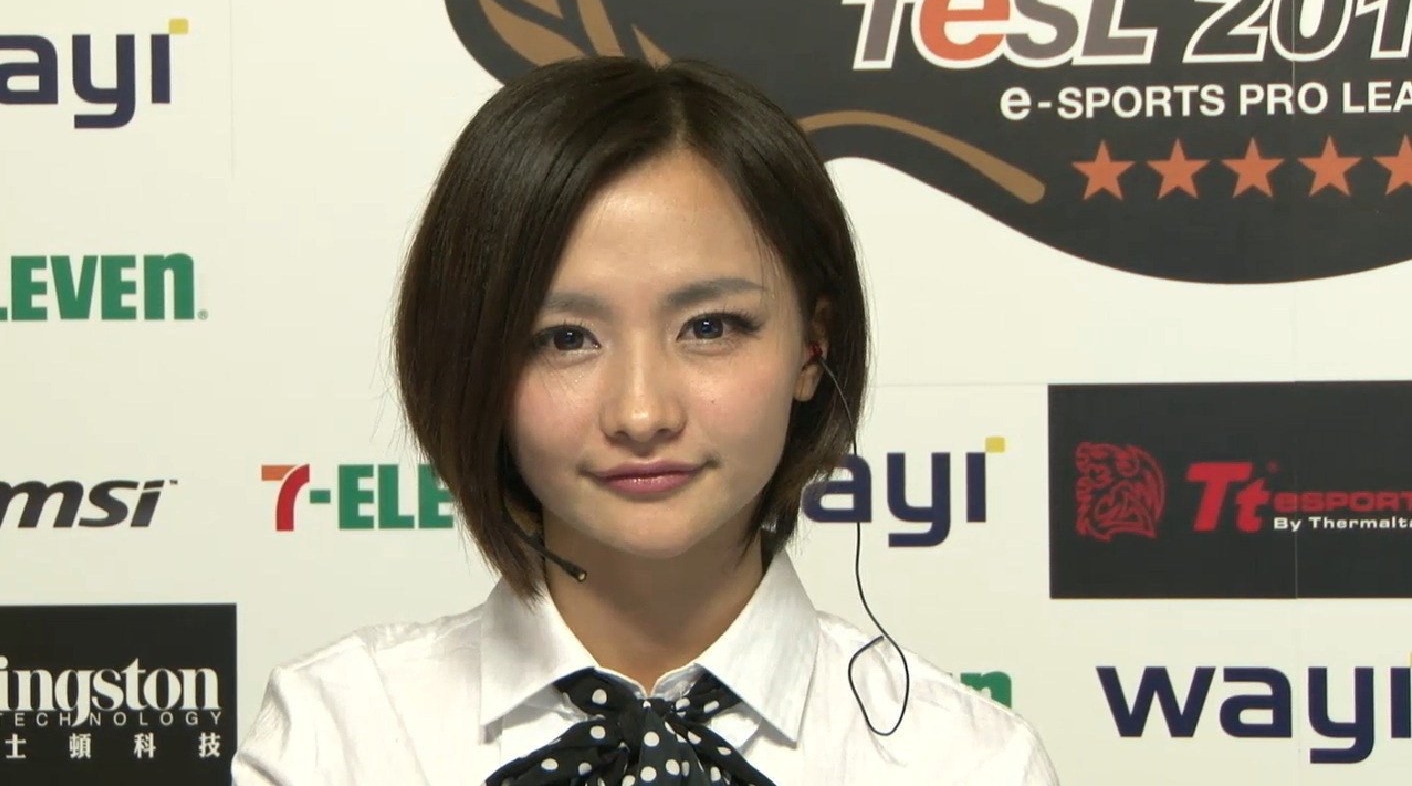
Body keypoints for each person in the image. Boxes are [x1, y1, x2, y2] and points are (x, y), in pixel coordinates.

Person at [231, 56, 1059, 785]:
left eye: (710, 327)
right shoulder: (341, 739)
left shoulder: (965, 763)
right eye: (565, 338)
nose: (641, 412)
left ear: (812, 348)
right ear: (476, 362)